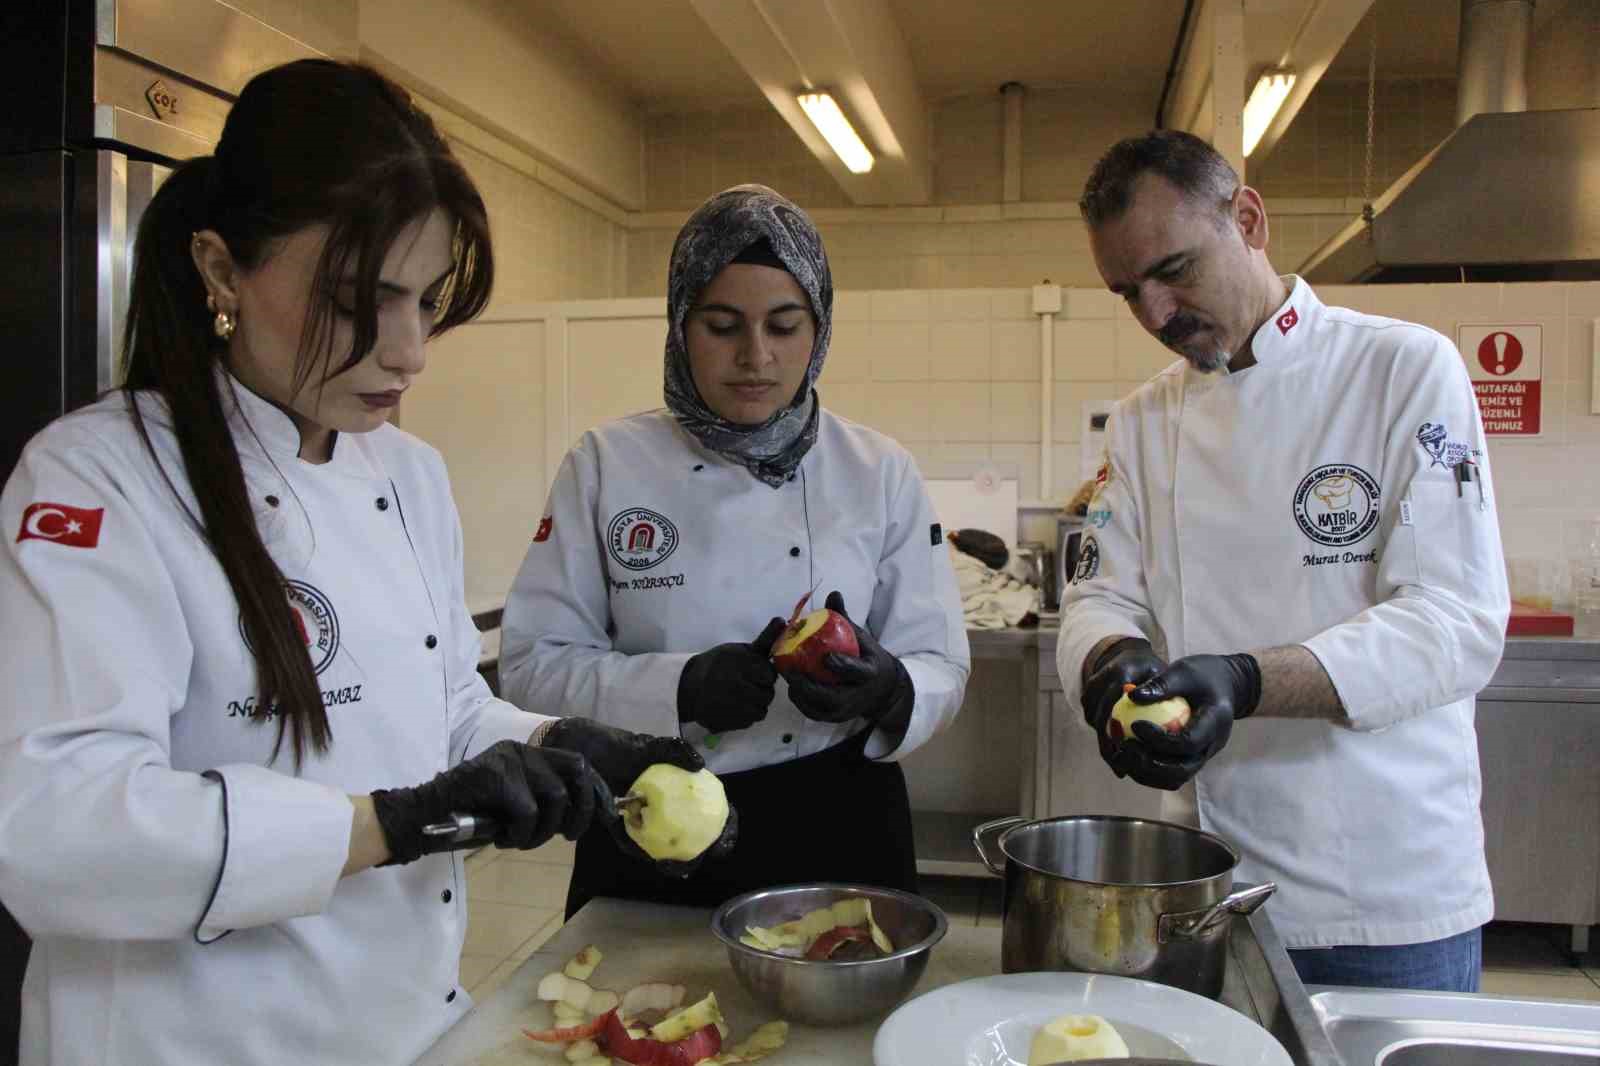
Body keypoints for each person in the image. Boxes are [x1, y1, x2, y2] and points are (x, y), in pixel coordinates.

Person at [0, 59, 711, 1066]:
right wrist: (395, 825)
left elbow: (439, 707)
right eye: (358, 300)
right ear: (219, 268)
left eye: (425, 300)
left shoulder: (408, 474)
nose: (409, 349)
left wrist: (563, 741)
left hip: (403, 1029)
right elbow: (55, 830)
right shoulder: (100, 478)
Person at [1057, 130, 1509, 992]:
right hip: (1204, 880)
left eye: (1175, 272)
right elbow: (1098, 595)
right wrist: (1111, 668)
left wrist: (1242, 680)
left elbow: (1456, 624)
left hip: (1381, 896)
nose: (1155, 316)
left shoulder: (1403, 370)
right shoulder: (1144, 421)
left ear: (1250, 219)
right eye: (1128, 293)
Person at [499, 184, 971, 918]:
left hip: (840, 814)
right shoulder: (607, 464)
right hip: (656, 812)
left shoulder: (878, 470)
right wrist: (678, 689)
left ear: (820, 331)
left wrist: (891, 690)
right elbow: (531, 667)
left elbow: (941, 660)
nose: (757, 357)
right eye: (723, 326)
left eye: (785, 326)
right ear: (680, 325)